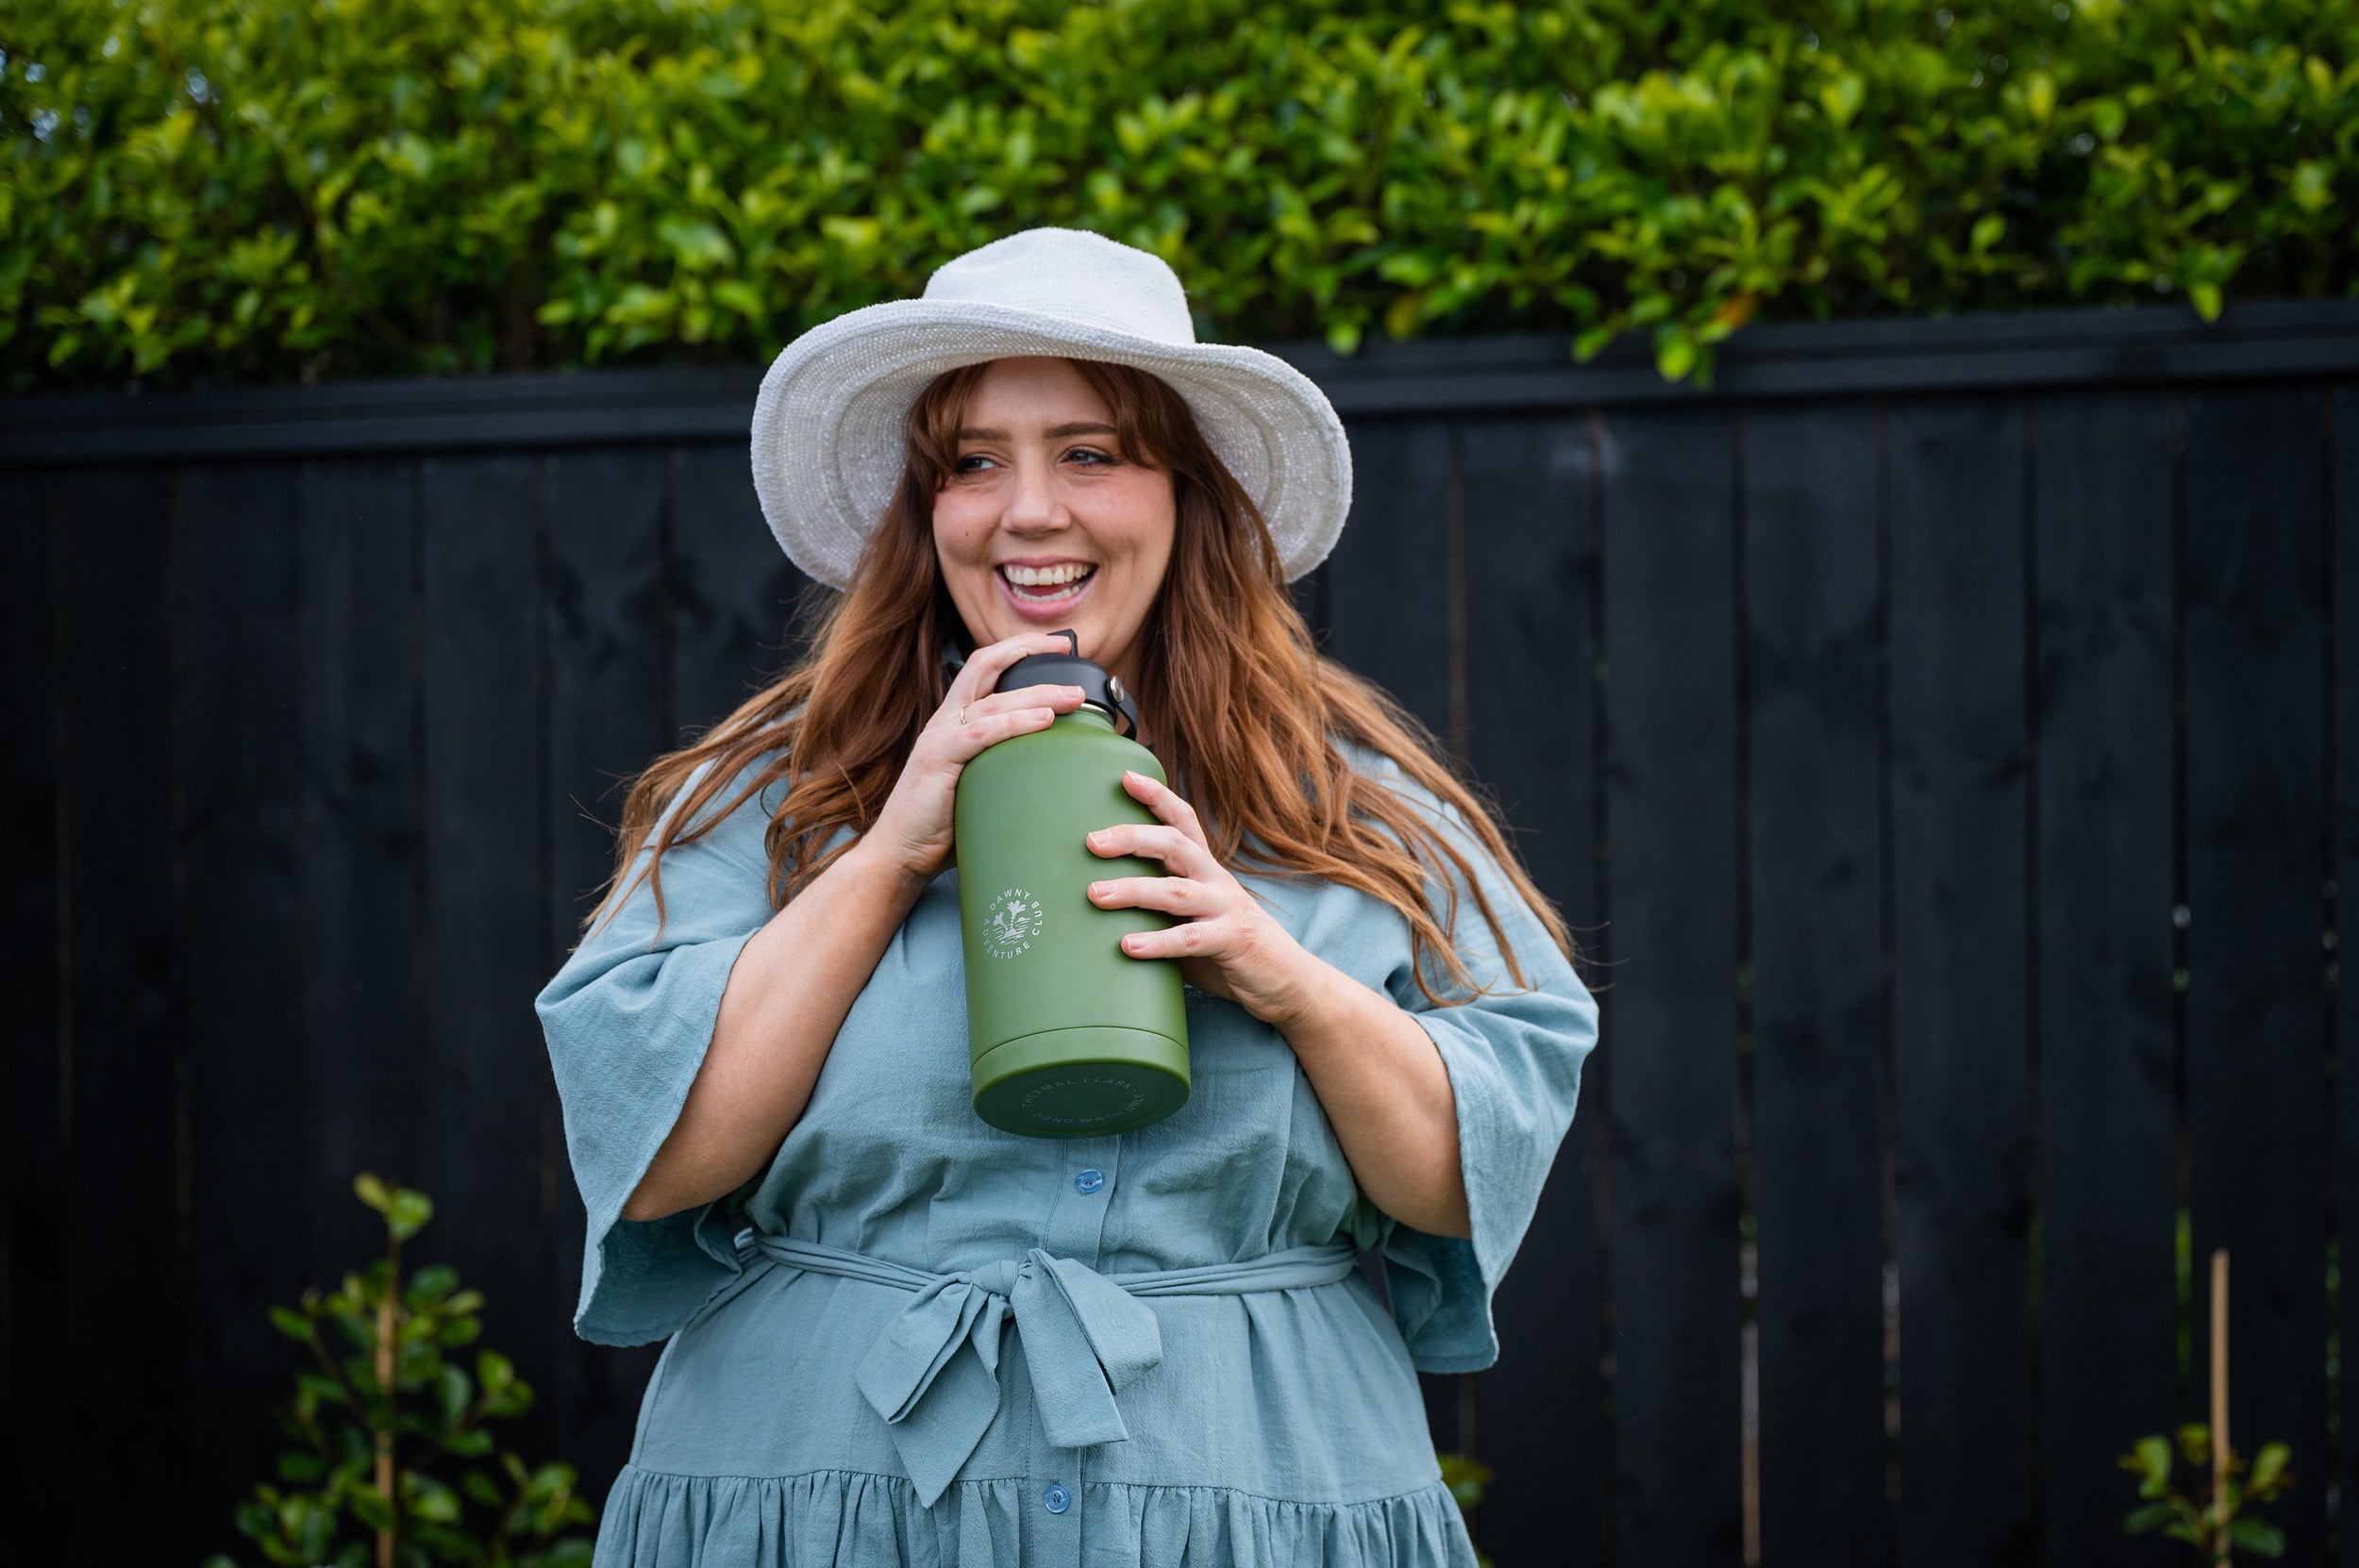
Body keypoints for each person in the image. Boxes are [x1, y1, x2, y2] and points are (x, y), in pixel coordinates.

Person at [536, 226, 1599, 1568]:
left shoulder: (1361, 813)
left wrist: (1281, 975)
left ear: (1187, 492)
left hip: (1259, 1508)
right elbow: (662, 1151)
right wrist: (886, 858)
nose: (1027, 510)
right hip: (816, 1511)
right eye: (973, 461)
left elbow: (1462, 1180)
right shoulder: (773, 796)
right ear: (927, 511)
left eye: (1090, 452)